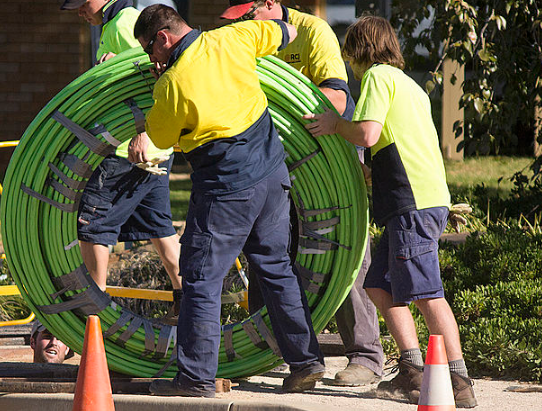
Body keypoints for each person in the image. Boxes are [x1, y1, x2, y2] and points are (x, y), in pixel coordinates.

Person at [134, 4, 325, 397]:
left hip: (226, 187)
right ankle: (305, 362)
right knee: (276, 267)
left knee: (202, 280)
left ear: (164, 38)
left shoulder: (172, 84)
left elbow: (161, 140)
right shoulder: (235, 36)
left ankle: (195, 379)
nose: (150, 59)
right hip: (272, 175)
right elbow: (286, 33)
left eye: (149, 49)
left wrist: (152, 107)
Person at [304, 16, 477, 408]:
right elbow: (391, 143)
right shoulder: (410, 85)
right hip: (417, 198)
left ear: (358, 51)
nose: (349, 65)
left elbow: (367, 133)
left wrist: (334, 124)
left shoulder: (378, 78)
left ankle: (458, 378)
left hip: (411, 203)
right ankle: (412, 371)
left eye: (349, 56)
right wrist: (367, 173)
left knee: (427, 293)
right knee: (378, 285)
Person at [220, 0, 384, 387]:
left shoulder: (313, 32)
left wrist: (280, 108)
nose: (243, 23)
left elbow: (338, 100)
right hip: (270, 156)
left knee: (344, 250)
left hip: (323, 158)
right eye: (237, 17)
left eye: (249, 14)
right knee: (269, 243)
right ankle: (270, 347)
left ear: (271, 4)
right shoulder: (242, 37)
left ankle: (364, 355)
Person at [60, 0, 183, 317]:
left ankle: (94, 311)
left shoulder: (125, 22)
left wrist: (142, 132)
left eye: (82, 2)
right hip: (152, 154)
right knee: (160, 228)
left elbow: (155, 75)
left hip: (129, 152)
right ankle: (188, 300)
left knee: (93, 225)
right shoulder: (114, 24)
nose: (79, 10)